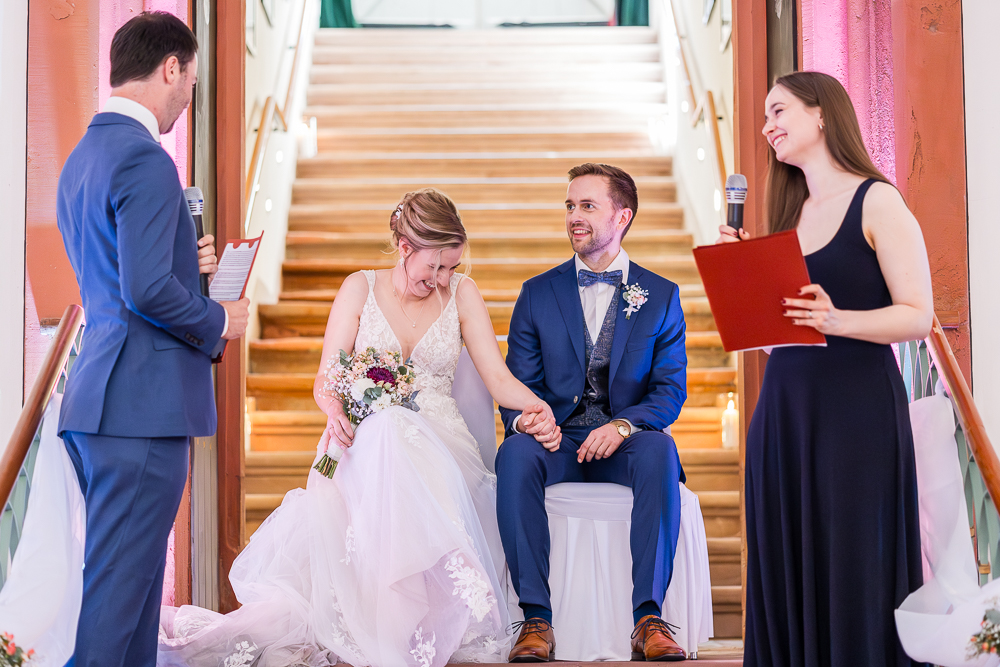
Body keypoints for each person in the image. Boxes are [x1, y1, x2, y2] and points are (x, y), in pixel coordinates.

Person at [158, 188, 562, 667]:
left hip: (442, 442)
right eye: (433, 266)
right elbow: (327, 379)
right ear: (405, 247)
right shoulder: (359, 288)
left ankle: (411, 623)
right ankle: (390, 623)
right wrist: (337, 413)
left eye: (451, 267)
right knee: (386, 429)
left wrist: (538, 406)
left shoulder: (462, 294)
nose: (441, 280)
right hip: (364, 438)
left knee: (395, 431)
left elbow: (496, 377)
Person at [717, 71, 933, 667]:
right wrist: (741, 281)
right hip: (785, 410)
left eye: (779, 111)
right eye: (765, 117)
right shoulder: (789, 215)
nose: (767, 127)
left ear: (821, 115)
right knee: (785, 557)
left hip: (856, 412)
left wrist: (838, 321)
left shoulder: (877, 199)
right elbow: (776, 340)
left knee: (850, 555)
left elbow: (918, 316)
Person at [55, 12, 250, 667]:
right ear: (171, 67)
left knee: (132, 598)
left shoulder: (83, 157)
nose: (186, 98)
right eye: (189, 82)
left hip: (103, 398)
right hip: (139, 407)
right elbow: (144, 293)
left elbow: (120, 278)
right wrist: (221, 318)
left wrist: (182, 269)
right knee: (117, 603)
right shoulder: (145, 158)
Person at [497, 163, 689, 662]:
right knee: (514, 455)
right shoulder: (537, 293)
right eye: (569, 206)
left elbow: (669, 391)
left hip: (626, 442)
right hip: (557, 442)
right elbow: (516, 387)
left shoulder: (662, 296)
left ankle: (648, 619)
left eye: (587, 206)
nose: (574, 217)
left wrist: (623, 425)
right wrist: (527, 419)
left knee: (660, 451)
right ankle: (536, 620)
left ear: (622, 216)